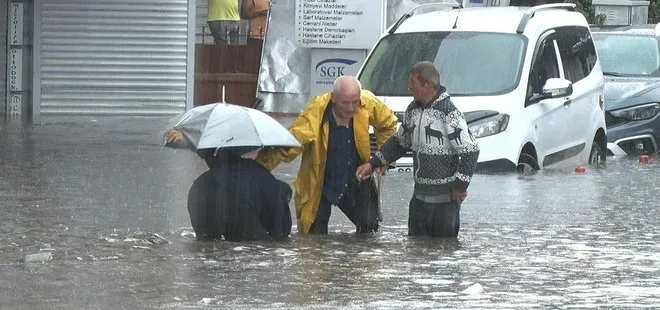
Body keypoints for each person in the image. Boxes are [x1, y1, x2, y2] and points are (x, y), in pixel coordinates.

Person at [255, 76, 399, 234]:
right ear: (334, 98)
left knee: (370, 232)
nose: (351, 108)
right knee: (314, 239)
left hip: (356, 180)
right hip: (321, 184)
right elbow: (289, 144)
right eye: (345, 103)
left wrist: (381, 160)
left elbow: (389, 125)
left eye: (355, 102)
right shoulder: (316, 111)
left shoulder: (367, 102)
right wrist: (258, 170)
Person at [355, 61, 480, 238]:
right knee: (416, 254)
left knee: (444, 256)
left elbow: (471, 151)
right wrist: (373, 163)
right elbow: (399, 143)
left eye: (413, 81)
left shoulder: (449, 113)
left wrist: (460, 186)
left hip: (445, 204)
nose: (409, 86)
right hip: (419, 201)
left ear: (428, 85)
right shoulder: (412, 110)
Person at [166, 130, 292, 241]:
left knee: (206, 248)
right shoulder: (273, 188)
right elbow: (281, 233)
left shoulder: (208, 180)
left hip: (200, 192)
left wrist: (191, 140)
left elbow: (217, 157)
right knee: (252, 251)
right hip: (238, 204)